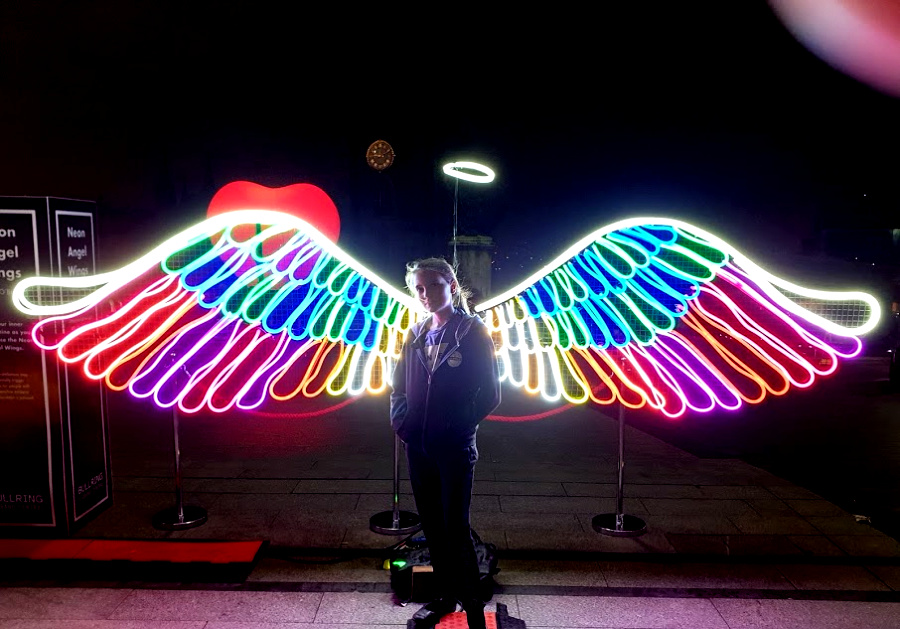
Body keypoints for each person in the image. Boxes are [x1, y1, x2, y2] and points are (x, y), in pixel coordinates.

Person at [390, 257, 501, 629]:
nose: (425, 294)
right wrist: (402, 423)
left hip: (454, 447)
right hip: (417, 446)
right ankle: (444, 597)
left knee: (456, 526)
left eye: (433, 285)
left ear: (451, 285)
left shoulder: (472, 332)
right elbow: (398, 388)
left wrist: (458, 425)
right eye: (418, 288)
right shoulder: (416, 333)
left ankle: (472, 607)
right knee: (433, 526)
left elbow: (490, 394)